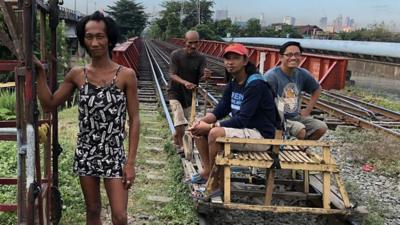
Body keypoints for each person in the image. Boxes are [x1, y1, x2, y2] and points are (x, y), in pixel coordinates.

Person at [34, 11, 139, 225]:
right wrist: (40, 74)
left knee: (120, 215)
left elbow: (135, 119)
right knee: (92, 211)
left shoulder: (126, 75)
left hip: (114, 152)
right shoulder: (77, 75)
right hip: (86, 151)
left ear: (109, 38)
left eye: (100, 36)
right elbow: (49, 103)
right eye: (89, 37)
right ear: (83, 40)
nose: (95, 42)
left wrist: (130, 162)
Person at [188, 43, 277, 197]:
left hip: (261, 136)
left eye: (236, 58)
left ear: (245, 61)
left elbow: (241, 120)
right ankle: (208, 172)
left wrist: (210, 127)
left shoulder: (255, 84)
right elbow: (220, 110)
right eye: (227, 58)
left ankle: (216, 186)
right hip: (244, 131)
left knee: (214, 133)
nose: (230, 62)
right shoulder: (234, 82)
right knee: (198, 128)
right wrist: (201, 121)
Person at [263, 41, 328, 140]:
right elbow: (263, 101)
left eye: (297, 54)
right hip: (277, 118)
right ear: (280, 57)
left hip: (295, 116)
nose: (293, 58)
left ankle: (301, 150)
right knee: (300, 130)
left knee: (321, 128)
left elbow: (317, 89)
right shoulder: (272, 76)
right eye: (289, 55)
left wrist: (308, 109)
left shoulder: (302, 73)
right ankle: (290, 150)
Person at [168, 30, 211, 152]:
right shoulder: (176, 55)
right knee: (179, 117)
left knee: (191, 121)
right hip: (175, 91)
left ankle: (177, 137)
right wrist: (185, 82)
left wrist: (206, 76)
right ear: (184, 42)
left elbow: (202, 76)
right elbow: (172, 74)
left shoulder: (201, 58)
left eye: (196, 43)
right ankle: (183, 146)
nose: (193, 46)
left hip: (190, 94)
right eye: (190, 43)